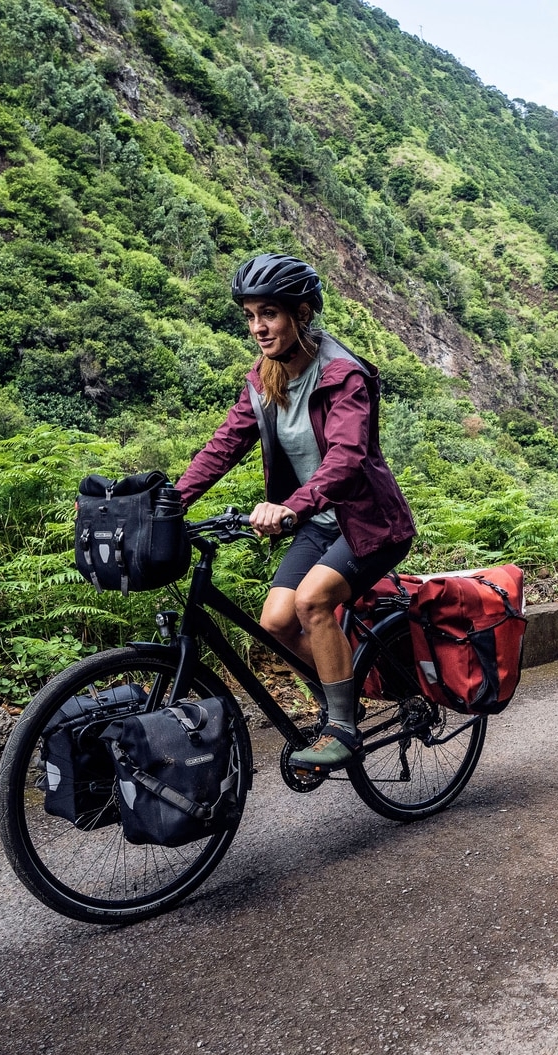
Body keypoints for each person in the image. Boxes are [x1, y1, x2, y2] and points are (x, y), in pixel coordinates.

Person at [176, 253, 416, 771]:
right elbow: (223, 446)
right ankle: (342, 694)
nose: (258, 327)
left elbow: (347, 461)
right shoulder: (266, 380)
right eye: (250, 315)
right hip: (318, 522)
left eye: (270, 313)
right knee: (277, 621)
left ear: (302, 314)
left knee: (312, 602)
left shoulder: (343, 376)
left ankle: (343, 728)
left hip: (370, 523)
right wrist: (171, 503)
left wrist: (289, 506)